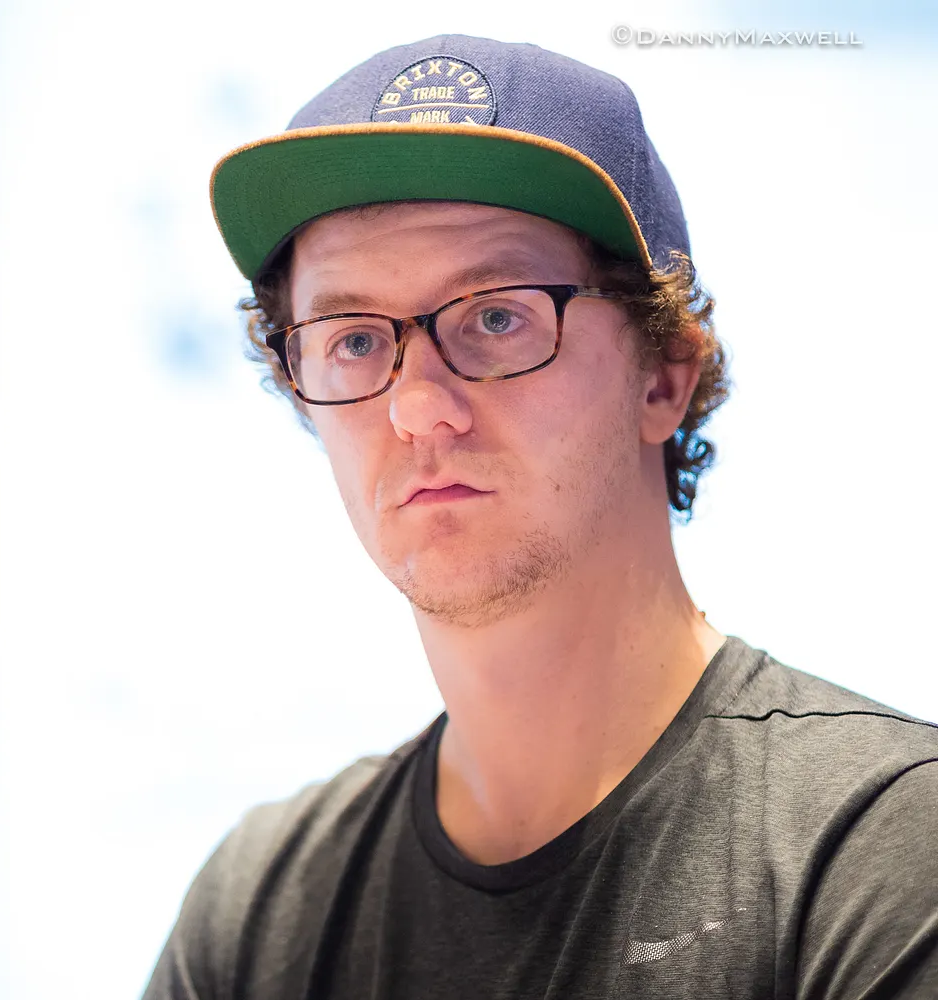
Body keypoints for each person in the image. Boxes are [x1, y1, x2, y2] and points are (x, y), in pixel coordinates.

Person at [144, 34, 938, 999]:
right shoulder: (259, 910)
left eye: (495, 316)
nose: (417, 407)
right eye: (353, 340)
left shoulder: (877, 850)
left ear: (663, 376)